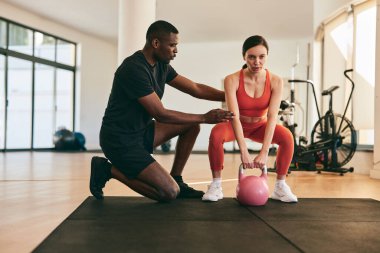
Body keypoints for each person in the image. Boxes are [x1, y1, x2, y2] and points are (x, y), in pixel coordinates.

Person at [89, 20, 234, 201]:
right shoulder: (133, 69)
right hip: (119, 141)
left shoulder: (161, 65)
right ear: (156, 43)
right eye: (172, 45)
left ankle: (177, 178)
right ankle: (107, 169)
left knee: (191, 126)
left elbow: (195, 88)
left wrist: (230, 97)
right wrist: (205, 117)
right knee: (169, 193)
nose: (176, 50)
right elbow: (160, 113)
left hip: (141, 132)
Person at [202, 35, 297, 203]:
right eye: (251, 57)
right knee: (216, 134)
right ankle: (216, 185)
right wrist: (244, 151)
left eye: (262, 57)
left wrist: (264, 152)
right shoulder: (231, 80)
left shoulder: (275, 81)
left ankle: (280, 186)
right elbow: (235, 116)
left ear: (267, 56)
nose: (257, 62)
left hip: (260, 125)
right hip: (235, 124)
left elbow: (273, 116)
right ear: (244, 57)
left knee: (287, 137)